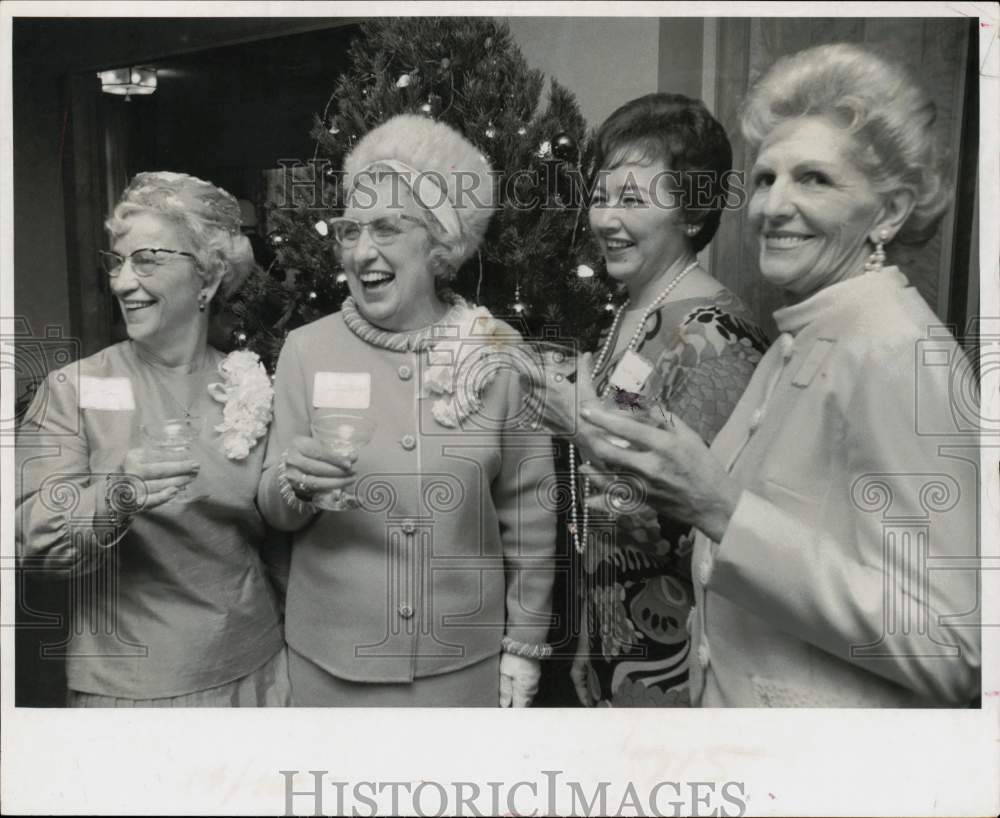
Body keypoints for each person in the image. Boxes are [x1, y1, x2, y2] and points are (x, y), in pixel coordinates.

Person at [578, 43, 980, 707]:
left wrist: (719, 507)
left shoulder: (896, 353)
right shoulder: (802, 338)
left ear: (890, 211)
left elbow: (957, 648)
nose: (773, 206)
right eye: (766, 179)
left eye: (814, 179)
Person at [256, 114, 556, 707]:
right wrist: (292, 483)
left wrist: (524, 644)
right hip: (330, 670)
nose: (363, 249)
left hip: (460, 673)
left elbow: (531, 515)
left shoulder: (497, 352)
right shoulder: (306, 350)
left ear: (440, 242)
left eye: (388, 227)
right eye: (350, 230)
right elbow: (270, 506)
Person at [16, 171, 288, 707]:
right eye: (117, 262)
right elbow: (32, 539)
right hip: (132, 689)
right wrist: (118, 493)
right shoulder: (74, 389)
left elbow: (281, 543)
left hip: (258, 676)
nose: (121, 282)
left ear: (206, 279)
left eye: (147, 260)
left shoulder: (253, 385)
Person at [534, 93, 768, 707]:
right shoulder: (632, 312)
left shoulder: (718, 337)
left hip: (683, 659)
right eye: (603, 195)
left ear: (691, 213)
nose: (605, 218)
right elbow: (604, 519)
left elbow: (674, 527)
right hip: (615, 639)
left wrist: (576, 423)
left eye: (632, 199)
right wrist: (591, 631)